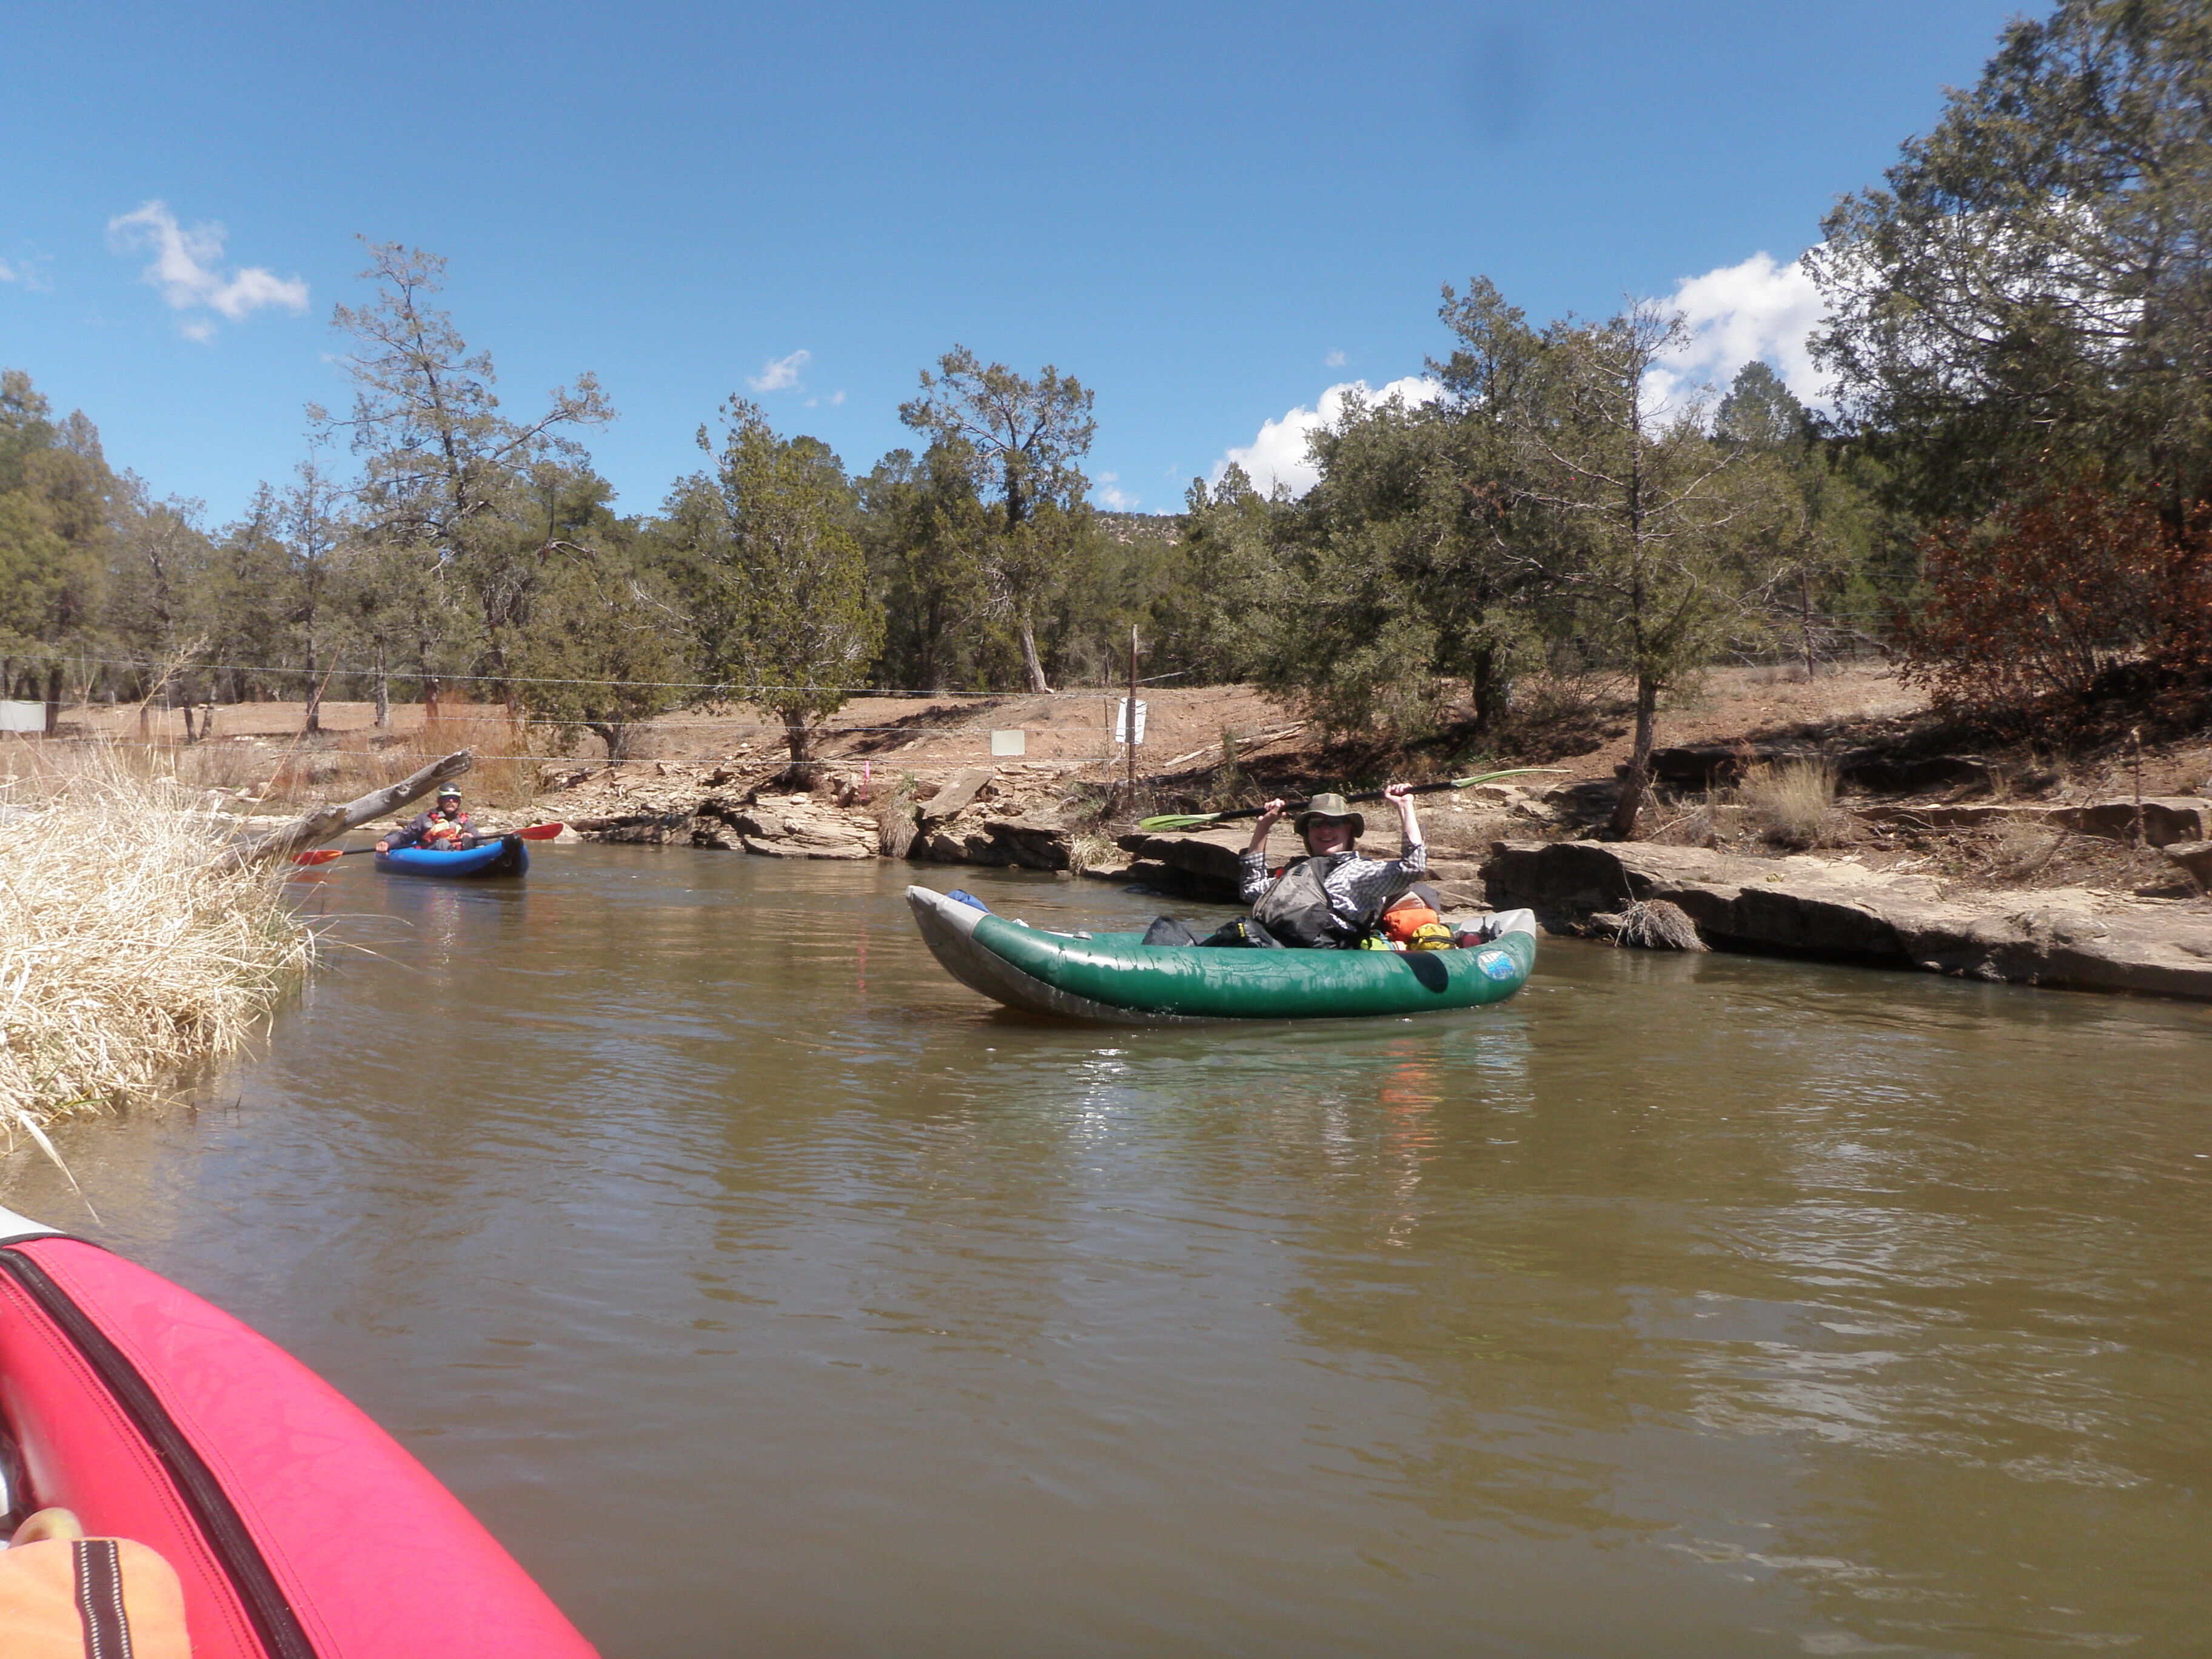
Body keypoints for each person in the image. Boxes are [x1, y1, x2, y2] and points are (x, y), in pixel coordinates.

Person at [1235, 785, 1428, 948]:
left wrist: (1405, 807)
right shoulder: (1297, 871)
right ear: (1307, 833)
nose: (1326, 830)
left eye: (1336, 823)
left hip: (1323, 962)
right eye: (1317, 823)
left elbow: (1412, 867)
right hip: (1274, 950)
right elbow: (1250, 889)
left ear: (1349, 830)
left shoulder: (1358, 873)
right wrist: (1264, 826)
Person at [376, 785, 478, 854]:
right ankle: (457, 856)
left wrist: (473, 839)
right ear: (439, 801)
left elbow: (482, 841)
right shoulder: (424, 819)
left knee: (469, 839)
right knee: (442, 843)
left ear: (459, 802)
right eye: (447, 798)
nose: (451, 801)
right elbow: (403, 836)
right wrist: (386, 842)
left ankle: (461, 854)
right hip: (432, 853)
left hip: (459, 852)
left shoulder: (465, 822)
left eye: (455, 799)